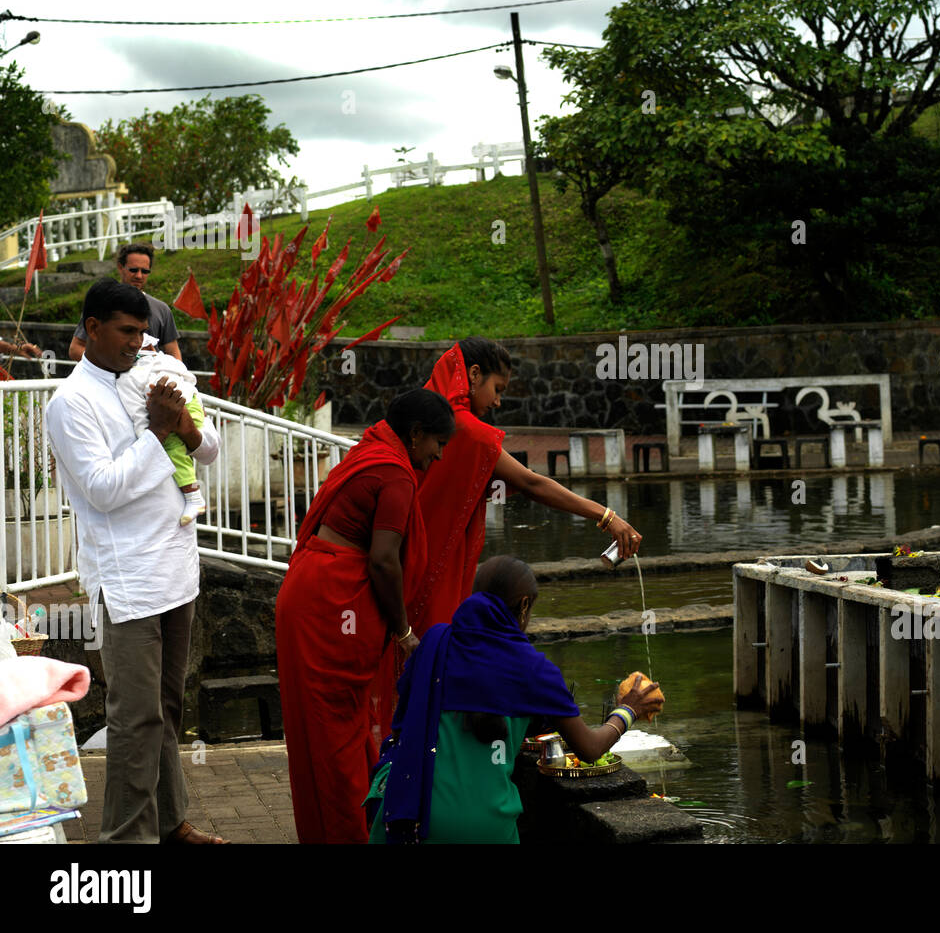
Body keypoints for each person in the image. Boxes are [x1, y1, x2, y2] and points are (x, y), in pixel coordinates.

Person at [45, 277, 223, 844]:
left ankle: (170, 823)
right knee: (135, 717)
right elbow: (103, 490)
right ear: (93, 328)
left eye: (143, 331)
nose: (137, 342)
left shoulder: (152, 373)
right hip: (128, 582)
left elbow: (209, 448)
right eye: (126, 331)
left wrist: (183, 426)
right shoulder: (71, 402)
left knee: (168, 708)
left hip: (177, 568)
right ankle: (126, 841)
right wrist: (159, 432)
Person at [367, 555, 664, 844]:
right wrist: (627, 710)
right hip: (488, 824)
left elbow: (404, 725)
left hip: (410, 816)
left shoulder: (435, 644)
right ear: (524, 606)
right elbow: (590, 748)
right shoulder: (532, 668)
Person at [276, 389, 455, 844]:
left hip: (309, 592)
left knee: (327, 729)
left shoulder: (372, 450)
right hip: (332, 603)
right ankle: (350, 835)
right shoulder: (395, 474)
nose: (438, 456)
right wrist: (404, 631)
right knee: (338, 735)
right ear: (415, 434)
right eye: (437, 443)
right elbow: (383, 560)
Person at [415, 337, 643, 630]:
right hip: (431, 564)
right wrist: (607, 516)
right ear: (474, 374)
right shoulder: (466, 430)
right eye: (497, 389)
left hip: (412, 556)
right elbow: (531, 484)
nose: (497, 402)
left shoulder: (428, 417)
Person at [116, 333, 207, 525]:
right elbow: (190, 379)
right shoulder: (169, 361)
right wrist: (198, 402)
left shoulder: (128, 377)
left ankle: (193, 496)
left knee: (173, 449)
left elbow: (138, 414)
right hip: (193, 404)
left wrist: (148, 437)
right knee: (182, 449)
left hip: (174, 410)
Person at [69, 243, 180, 361]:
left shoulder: (162, 309)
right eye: (133, 270)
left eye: (144, 271)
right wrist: (112, 366)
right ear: (120, 267)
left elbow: (174, 353)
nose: (139, 276)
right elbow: (76, 349)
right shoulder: (101, 303)